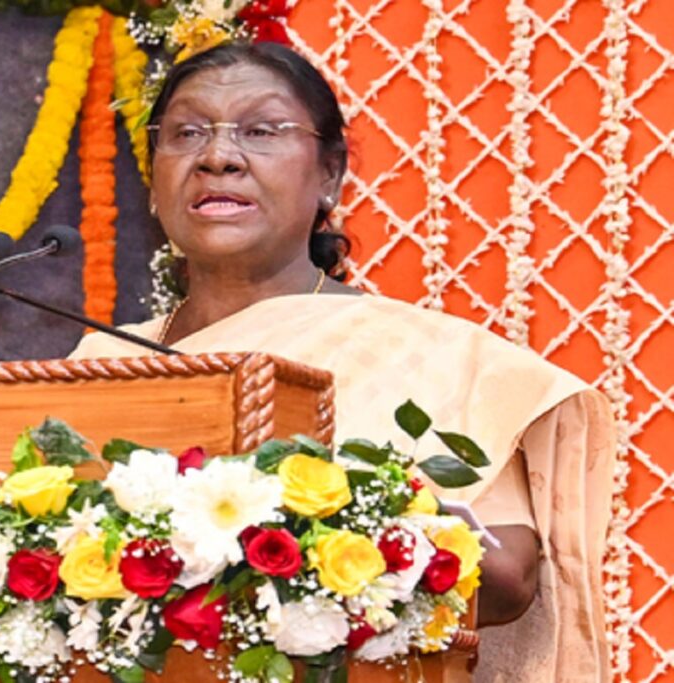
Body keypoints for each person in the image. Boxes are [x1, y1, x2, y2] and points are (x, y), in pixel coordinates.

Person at [69, 42, 615, 682]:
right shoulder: (99, 360)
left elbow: (506, 578)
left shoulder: (429, 353)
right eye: (187, 133)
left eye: (261, 131)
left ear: (329, 174)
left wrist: (322, 530)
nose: (217, 157)